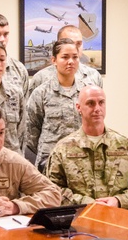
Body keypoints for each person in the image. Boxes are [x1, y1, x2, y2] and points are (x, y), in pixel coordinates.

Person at [46, 86, 128, 210]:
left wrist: (118, 200)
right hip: (79, 220)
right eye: (90, 103)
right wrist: (85, 203)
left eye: (101, 103)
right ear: (78, 107)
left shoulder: (125, 145)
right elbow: (52, 189)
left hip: (118, 218)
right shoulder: (63, 149)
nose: (97, 109)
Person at [25, 37, 86, 171]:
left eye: (75, 57)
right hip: (50, 162)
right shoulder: (41, 93)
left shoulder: (86, 93)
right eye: (65, 57)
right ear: (54, 60)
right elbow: (31, 132)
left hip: (81, 161)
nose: (70, 61)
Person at [26, 25, 103, 93]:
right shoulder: (40, 79)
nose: (75, 47)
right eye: (69, 43)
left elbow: (99, 107)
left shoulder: (94, 76)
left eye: (79, 43)